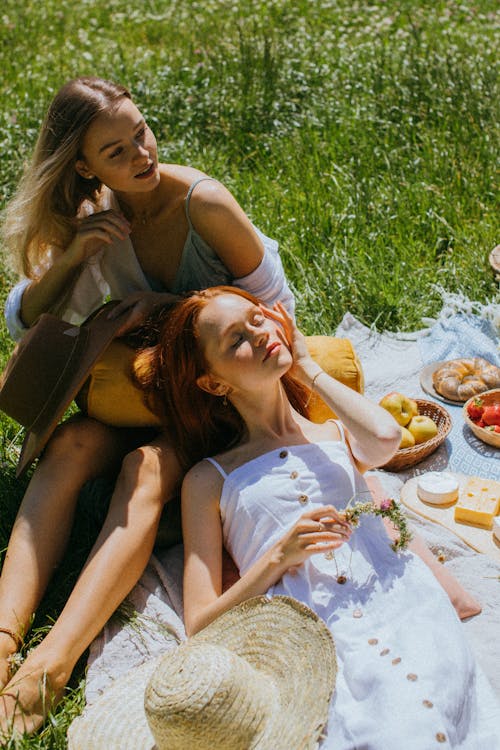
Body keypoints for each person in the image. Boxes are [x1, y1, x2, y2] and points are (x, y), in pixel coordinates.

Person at [0, 76, 294, 737]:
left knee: (147, 472)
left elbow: (279, 317)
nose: (141, 153)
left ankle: (51, 664)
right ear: (83, 166)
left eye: (142, 133)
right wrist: (77, 253)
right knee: (72, 446)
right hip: (134, 397)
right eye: (116, 150)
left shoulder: (204, 205)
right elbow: (25, 321)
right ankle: (3, 637)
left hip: (217, 399)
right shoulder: (95, 216)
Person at [137, 286, 500, 749]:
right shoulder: (209, 479)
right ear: (214, 383)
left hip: (399, 599)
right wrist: (278, 557)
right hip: (313, 637)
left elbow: (387, 438)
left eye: (258, 318)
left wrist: (307, 367)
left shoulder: (335, 433)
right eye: (237, 340)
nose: (263, 333)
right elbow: (200, 624)